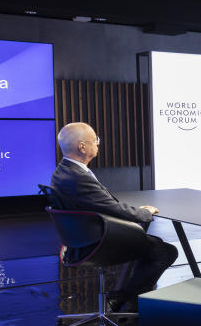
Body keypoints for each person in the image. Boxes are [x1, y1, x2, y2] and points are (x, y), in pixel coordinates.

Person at [51, 122, 178, 311]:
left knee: (148, 244)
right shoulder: (77, 177)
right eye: (96, 140)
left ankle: (130, 300)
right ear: (82, 146)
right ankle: (119, 297)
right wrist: (144, 213)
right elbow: (111, 208)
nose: (98, 144)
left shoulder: (64, 171)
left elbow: (103, 204)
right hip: (96, 242)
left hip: (79, 239)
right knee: (165, 251)